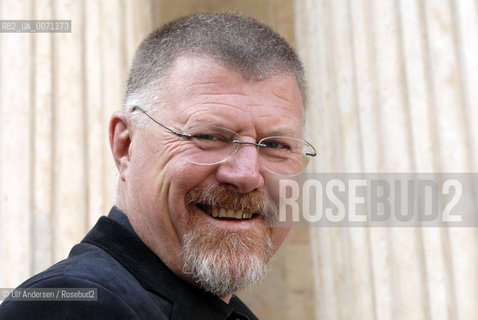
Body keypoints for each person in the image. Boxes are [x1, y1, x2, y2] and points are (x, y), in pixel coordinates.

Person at [0, 12, 315, 319]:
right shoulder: (80, 306)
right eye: (209, 136)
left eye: (275, 145)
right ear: (126, 146)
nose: (246, 175)